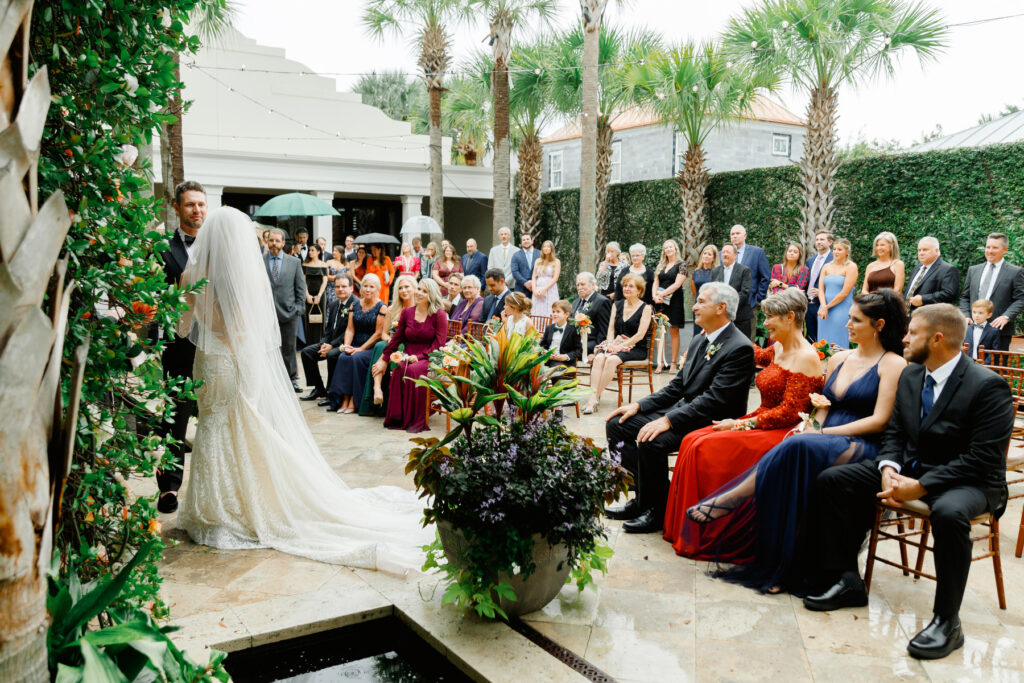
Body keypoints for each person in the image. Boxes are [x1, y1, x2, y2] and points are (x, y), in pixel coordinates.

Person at [176, 207, 432, 573]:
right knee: (237, 427)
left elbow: (185, 327)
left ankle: (213, 509)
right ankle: (234, 505)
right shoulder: (240, 279)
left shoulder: (191, 275)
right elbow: (246, 332)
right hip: (233, 363)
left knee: (213, 426)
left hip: (206, 364)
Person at [802, 304, 1012, 661]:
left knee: (947, 513)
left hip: (970, 481)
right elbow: (896, 432)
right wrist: (887, 467)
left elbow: (983, 458)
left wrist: (922, 485)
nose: (904, 338)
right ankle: (847, 580)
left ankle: (948, 622)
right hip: (912, 469)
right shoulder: (913, 375)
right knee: (835, 480)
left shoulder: (988, 387)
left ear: (938, 338)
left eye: (912, 333)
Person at [687, 290, 908, 594]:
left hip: (861, 443)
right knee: (793, 455)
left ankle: (734, 498)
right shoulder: (840, 358)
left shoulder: (893, 364)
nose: (848, 325)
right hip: (824, 437)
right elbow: (822, 409)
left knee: (794, 445)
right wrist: (814, 424)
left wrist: (819, 434)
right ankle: (779, 566)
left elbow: (880, 420)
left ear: (879, 325)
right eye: (849, 319)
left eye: (856, 320)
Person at [662, 288, 823, 558]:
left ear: (790, 317)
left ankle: (712, 530)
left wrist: (738, 425)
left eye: (770, 317)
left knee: (704, 447)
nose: (765, 323)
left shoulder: (806, 357)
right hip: (760, 420)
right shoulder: (779, 347)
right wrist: (716, 334)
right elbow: (753, 353)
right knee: (692, 439)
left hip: (781, 432)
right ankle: (685, 528)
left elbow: (789, 414)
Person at [603, 282, 755, 533]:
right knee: (618, 424)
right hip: (688, 411)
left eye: (701, 302)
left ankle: (657, 511)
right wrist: (639, 405)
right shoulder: (699, 339)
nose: (694, 306)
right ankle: (641, 499)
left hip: (713, 421)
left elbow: (715, 401)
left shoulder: (739, 347)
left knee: (652, 439)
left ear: (721, 308)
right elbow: (676, 387)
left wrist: (669, 420)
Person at [156, 180, 207, 513]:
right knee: (175, 418)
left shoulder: (221, 246)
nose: (197, 210)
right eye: (190, 205)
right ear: (177, 208)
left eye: (201, 204)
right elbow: (155, 298)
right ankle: (169, 488)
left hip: (217, 346)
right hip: (179, 345)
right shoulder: (162, 248)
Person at [371, 279, 448, 433]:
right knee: (399, 368)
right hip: (408, 354)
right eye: (418, 289)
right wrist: (385, 359)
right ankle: (398, 417)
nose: (419, 293)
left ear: (431, 295)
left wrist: (420, 357)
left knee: (413, 370)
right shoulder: (407, 313)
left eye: (424, 291)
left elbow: (439, 344)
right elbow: (396, 340)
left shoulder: (439, 314)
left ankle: (415, 418)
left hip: (429, 357)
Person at [582, 273, 653, 415]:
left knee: (611, 360)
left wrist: (619, 347)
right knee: (599, 358)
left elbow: (640, 335)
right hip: (615, 343)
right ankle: (594, 397)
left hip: (635, 347)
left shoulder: (646, 308)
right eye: (625, 286)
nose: (626, 288)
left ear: (639, 290)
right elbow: (611, 328)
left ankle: (593, 398)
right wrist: (609, 343)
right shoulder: (617, 304)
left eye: (631, 286)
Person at [325, 273, 386, 414]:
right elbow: (350, 329)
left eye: (372, 287)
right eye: (365, 286)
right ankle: (344, 399)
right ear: (361, 287)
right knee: (343, 357)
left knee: (356, 358)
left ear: (377, 289)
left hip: (370, 347)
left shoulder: (381, 307)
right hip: (355, 344)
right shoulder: (355, 304)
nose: (368, 289)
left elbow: (378, 334)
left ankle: (354, 400)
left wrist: (361, 349)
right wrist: (347, 345)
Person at [361, 275, 418, 415]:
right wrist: (391, 341)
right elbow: (384, 334)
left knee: (382, 347)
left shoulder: (419, 308)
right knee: (381, 345)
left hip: (410, 344)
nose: (404, 290)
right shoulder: (392, 309)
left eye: (406, 287)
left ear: (414, 288)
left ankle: (377, 388)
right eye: (400, 288)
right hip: (392, 343)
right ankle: (377, 390)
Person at [958, 232, 1024, 351]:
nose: (990, 251)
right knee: (969, 366)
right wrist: (966, 315)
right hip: (971, 329)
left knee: (996, 367)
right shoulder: (973, 270)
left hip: (999, 330)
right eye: (988, 247)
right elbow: (965, 297)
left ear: (1005, 249)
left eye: (995, 248)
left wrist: (1006, 316)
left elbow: (1021, 298)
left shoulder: (1015, 272)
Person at [299, 275, 357, 402]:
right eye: (337, 287)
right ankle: (318, 388)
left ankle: (331, 391)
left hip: (348, 343)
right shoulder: (334, 303)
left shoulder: (355, 304)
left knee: (331, 355)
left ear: (351, 288)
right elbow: (329, 328)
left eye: (344, 286)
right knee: (307, 352)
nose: (340, 289)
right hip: (331, 343)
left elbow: (350, 331)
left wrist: (332, 345)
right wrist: (324, 343)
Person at [264, 228, 307, 392]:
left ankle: (291, 379)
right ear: (268, 242)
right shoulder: (259, 261)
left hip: (289, 313)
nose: (274, 243)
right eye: (271, 240)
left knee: (289, 347)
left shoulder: (294, 262)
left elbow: (300, 288)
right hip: (266, 314)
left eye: (277, 241)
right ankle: (270, 379)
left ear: (283, 243)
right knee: (268, 348)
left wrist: (298, 308)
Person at [653, 239, 687, 374]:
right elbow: (656, 282)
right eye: (666, 247)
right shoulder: (661, 265)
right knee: (660, 331)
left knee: (674, 330)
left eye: (670, 247)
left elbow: (678, 284)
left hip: (675, 300)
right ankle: (660, 363)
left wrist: (662, 294)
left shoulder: (682, 264)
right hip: (660, 302)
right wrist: (655, 296)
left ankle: (673, 363)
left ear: (675, 248)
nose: (668, 249)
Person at [817, 238, 858, 349]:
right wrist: (823, 306)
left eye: (839, 249)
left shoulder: (851, 267)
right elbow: (821, 289)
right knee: (823, 342)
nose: (836, 252)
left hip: (841, 310)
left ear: (847, 252)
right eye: (834, 249)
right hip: (823, 309)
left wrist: (827, 307)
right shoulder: (826, 266)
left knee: (838, 341)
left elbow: (844, 293)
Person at [904, 237, 959, 312]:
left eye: (925, 250)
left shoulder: (948, 269)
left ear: (936, 251)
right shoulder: (917, 268)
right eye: (919, 250)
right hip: (907, 316)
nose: (921, 253)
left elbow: (949, 294)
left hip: (931, 318)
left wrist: (923, 299)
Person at [711, 244, 753, 338]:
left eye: (728, 252)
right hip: (720, 318)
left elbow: (745, 292)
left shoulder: (744, 270)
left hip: (740, 317)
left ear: (735, 255)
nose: (725, 254)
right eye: (723, 252)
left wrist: (728, 305)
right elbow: (712, 292)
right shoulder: (715, 272)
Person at [571, 272, 612, 358]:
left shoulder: (602, 302)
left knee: (568, 349)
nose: (579, 288)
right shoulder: (575, 302)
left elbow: (604, 331)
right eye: (578, 285)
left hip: (590, 342)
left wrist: (598, 351)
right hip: (574, 341)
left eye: (582, 284)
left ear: (593, 285)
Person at [730, 224, 771, 311]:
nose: (735, 236)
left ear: (745, 236)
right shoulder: (723, 254)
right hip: (728, 305)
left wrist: (758, 298)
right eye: (732, 234)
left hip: (749, 303)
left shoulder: (757, 253)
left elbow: (765, 277)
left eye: (737, 233)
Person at [804, 231, 834, 342]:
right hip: (809, 303)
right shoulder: (810, 261)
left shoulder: (834, 260)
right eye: (817, 240)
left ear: (830, 242)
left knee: (825, 335)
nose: (818, 242)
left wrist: (822, 292)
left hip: (825, 303)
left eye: (822, 239)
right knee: (811, 335)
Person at [541, 300, 583, 368]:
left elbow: (578, 350)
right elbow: (543, 345)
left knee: (555, 372)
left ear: (566, 314)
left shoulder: (573, 330)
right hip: (547, 359)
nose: (554, 314)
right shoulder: (549, 328)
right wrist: (545, 352)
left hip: (563, 362)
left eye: (558, 312)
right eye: (553, 311)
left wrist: (566, 356)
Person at [302, 245, 329, 342]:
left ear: (318, 252)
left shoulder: (324, 264)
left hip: (320, 294)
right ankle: (309, 342)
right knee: (307, 317)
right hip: (307, 293)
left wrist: (319, 295)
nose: (310, 252)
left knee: (320, 317)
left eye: (312, 250)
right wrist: (307, 295)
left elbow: (325, 281)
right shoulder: (305, 264)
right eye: (309, 250)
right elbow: (303, 281)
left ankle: (320, 342)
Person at [690, 245, 718, 336]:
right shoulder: (695, 272)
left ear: (713, 258)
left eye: (709, 254)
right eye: (704, 253)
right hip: (698, 307)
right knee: (698, 333)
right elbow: (695, 291)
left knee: (711, 332)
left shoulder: (717, 272)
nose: (706, 256)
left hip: (711, 307)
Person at [531, 239, 561, 317]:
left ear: (551, 249)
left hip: (550, 288)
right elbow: (534, 277)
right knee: (537, 309)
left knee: (549, 309)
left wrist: (544, 289)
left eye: (548, 247)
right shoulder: (538, 261)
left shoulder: (556, 261)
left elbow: (555, 278)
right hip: (538, 288)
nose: (546, 248)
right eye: (544, 247)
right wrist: (534, 289)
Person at [511, 231, 540, 296]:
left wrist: (533, 282)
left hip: (537, 288)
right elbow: (515, 272)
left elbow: (543, 270)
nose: (526, 241)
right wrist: (525, 283)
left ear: (532, 241)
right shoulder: (516, 255)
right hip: (521, 289)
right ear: (521, 242)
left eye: (527, 239)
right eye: (523, 240)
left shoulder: (540, 254)